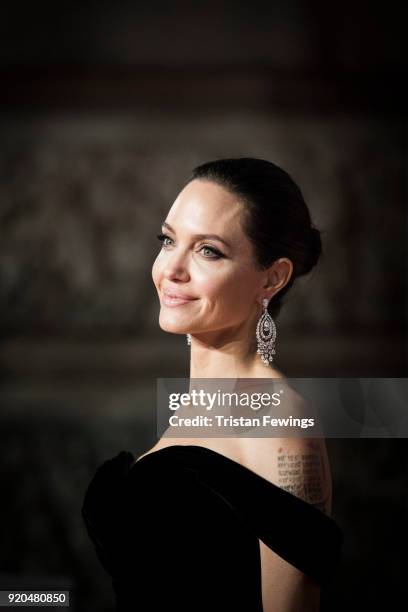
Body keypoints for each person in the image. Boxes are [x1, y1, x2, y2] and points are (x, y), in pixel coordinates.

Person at [81, 158, 343, 611]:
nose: (172, 270)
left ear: (272, 278)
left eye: (209, 251)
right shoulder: (201, 405)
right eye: (168, 240)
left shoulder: (276, 419)